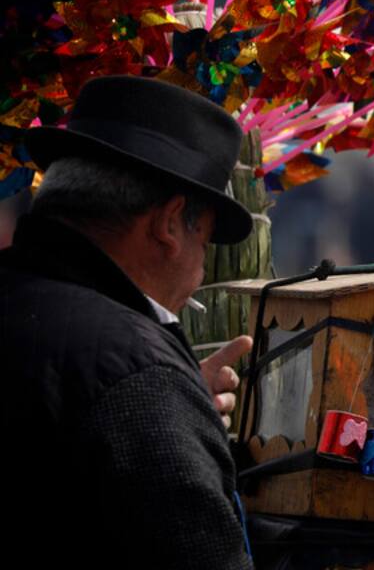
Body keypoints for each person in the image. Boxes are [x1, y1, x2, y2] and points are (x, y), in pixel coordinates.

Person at [1, 76, 257, 569]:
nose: (201, 270)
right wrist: (161, 395)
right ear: (168, 224)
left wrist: (179, 407)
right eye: (203, 240)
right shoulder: (141, 382)